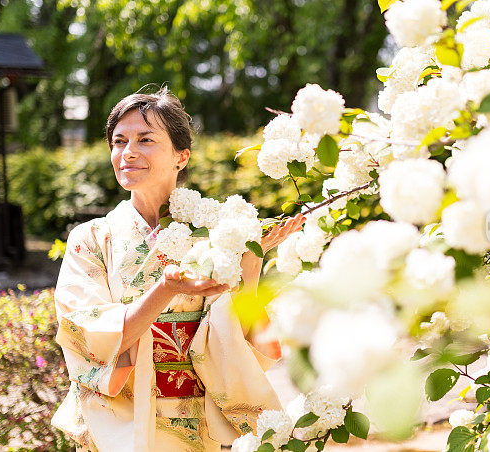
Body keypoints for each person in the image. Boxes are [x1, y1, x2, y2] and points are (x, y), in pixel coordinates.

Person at [50, 86, 305, 451]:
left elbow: (246, 343)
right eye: (119, 141)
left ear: (181, 157)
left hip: (197, 417)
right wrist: (166, 289)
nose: (128, 152)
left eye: (145, 139)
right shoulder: (91, 238)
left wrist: (251, 261)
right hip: (122, 417)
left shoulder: (220, 231)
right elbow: (88, 334)